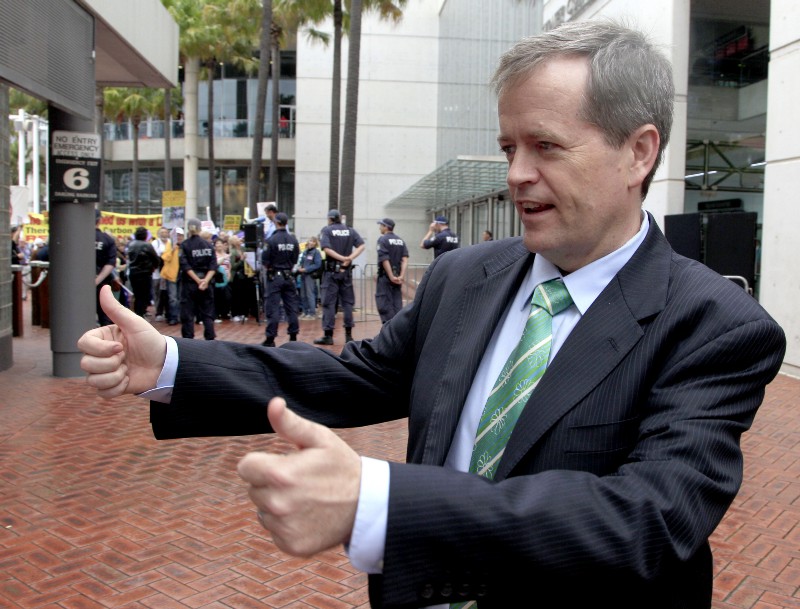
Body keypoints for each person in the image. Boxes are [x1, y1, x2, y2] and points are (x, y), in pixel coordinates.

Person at [78, 21, 786, 608]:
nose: (516, 174)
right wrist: (171, 362)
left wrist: (379, 500)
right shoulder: (462, 276)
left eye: (546, 146)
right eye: (510, 146)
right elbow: (349, 378)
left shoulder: (716, 325)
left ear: (638, 151)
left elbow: (646, 520)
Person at [313, 209, 365, 345]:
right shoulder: (350, 230)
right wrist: (349, 258)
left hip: (331, 273)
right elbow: (362, 246)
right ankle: (349, 335)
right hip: (346, 273)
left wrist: (342, 258)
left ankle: (328, 335)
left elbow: (326, 248)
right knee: (347, 303)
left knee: (329, 303)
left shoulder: (327, 230)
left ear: (330, 219)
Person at [261, 212, 300, 347]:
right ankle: (293, 336)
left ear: (276, 222)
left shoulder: (271, 240)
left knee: (273, 307)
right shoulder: (293, 240)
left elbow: (265, 260)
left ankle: (270, 338)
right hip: (289, 276)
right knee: (291, 307)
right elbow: (295, 259)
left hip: (275, 277)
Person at [179, 218, 217, 340]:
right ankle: (210, 338)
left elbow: (185, 266)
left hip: (190, 283)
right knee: (207, 313)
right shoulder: (208, 245)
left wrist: (198, 280)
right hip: (206, 283)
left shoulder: (185, 245)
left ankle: (188, 339)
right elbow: (213, 265)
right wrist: (205, 280)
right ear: (200, 228)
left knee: (188, 314)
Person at [374, 217, 408, 323]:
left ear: (386, 227)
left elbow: (385, 259)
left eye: (381, 226)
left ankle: (389, 330)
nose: (380, 228)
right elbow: (405, 259)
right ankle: (398, 327)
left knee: (384, 303)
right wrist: (401, 276)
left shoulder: (382, 239)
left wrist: (390, 276)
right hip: (398, 278)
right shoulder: (400, 240)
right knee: (397, 304)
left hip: (386, 278)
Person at [127, 226, 161, 318]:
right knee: (144, 295)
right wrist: (154, 267)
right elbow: (156, 259)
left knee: (137, 294)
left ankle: (138, 313)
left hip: (133, 273)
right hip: (145, 273)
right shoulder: (147, 245)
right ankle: (140, 314)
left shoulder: (130, 244)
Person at [93, 210, 117, 326]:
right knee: (104, 316)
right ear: (99, 221)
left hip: (78, 284)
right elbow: (110, 263)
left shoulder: (76, 238)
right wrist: (97, 280)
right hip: (102, 283)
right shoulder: (107, 239)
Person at [159, 227, 182, 325]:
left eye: (180, 235)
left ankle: (180, 316)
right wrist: (172, 249)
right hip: (172, 275)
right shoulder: (170, 245)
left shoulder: (185, 245)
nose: (179, 237)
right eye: (177, 235)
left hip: (182, 275)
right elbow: (165, 258)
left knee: (181, 297)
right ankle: (173, 317)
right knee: (173, 298)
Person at [296, 235, 322, 319]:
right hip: (303, 275)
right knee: (303, 294)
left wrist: (306, 269)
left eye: (313, 241)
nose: (311, 242)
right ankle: (304, 311)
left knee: (310, 294)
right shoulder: (305, 251)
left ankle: (312, 313)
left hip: (310, 275)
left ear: (315, 243)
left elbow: (317, 264)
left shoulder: (316, 252)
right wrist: (300, 267)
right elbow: (302, 261)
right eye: (310, 240)